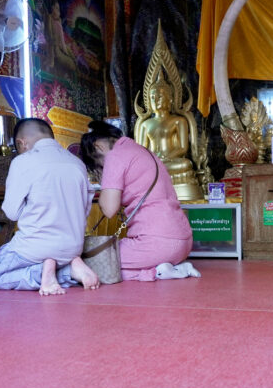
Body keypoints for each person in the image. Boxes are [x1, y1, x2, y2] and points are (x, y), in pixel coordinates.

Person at [0, 118, 99, 294]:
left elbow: (12, 213)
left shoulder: (22, 161)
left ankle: (45, 271)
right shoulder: (77, 163)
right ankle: (72, 267)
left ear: (21, 143)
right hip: (72, 247)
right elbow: (85, 210)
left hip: (35, 250)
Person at [80, 120, 199, 281]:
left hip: (157, 244)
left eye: (98, 165)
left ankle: (157, 271)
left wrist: (105, 183)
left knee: (97, 262)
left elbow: (109, 209)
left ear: (98, 147)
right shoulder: (143, 151)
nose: (101, 168)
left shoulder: (115, 155)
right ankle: (173, 267)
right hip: (183, 243)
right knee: (108, 262)